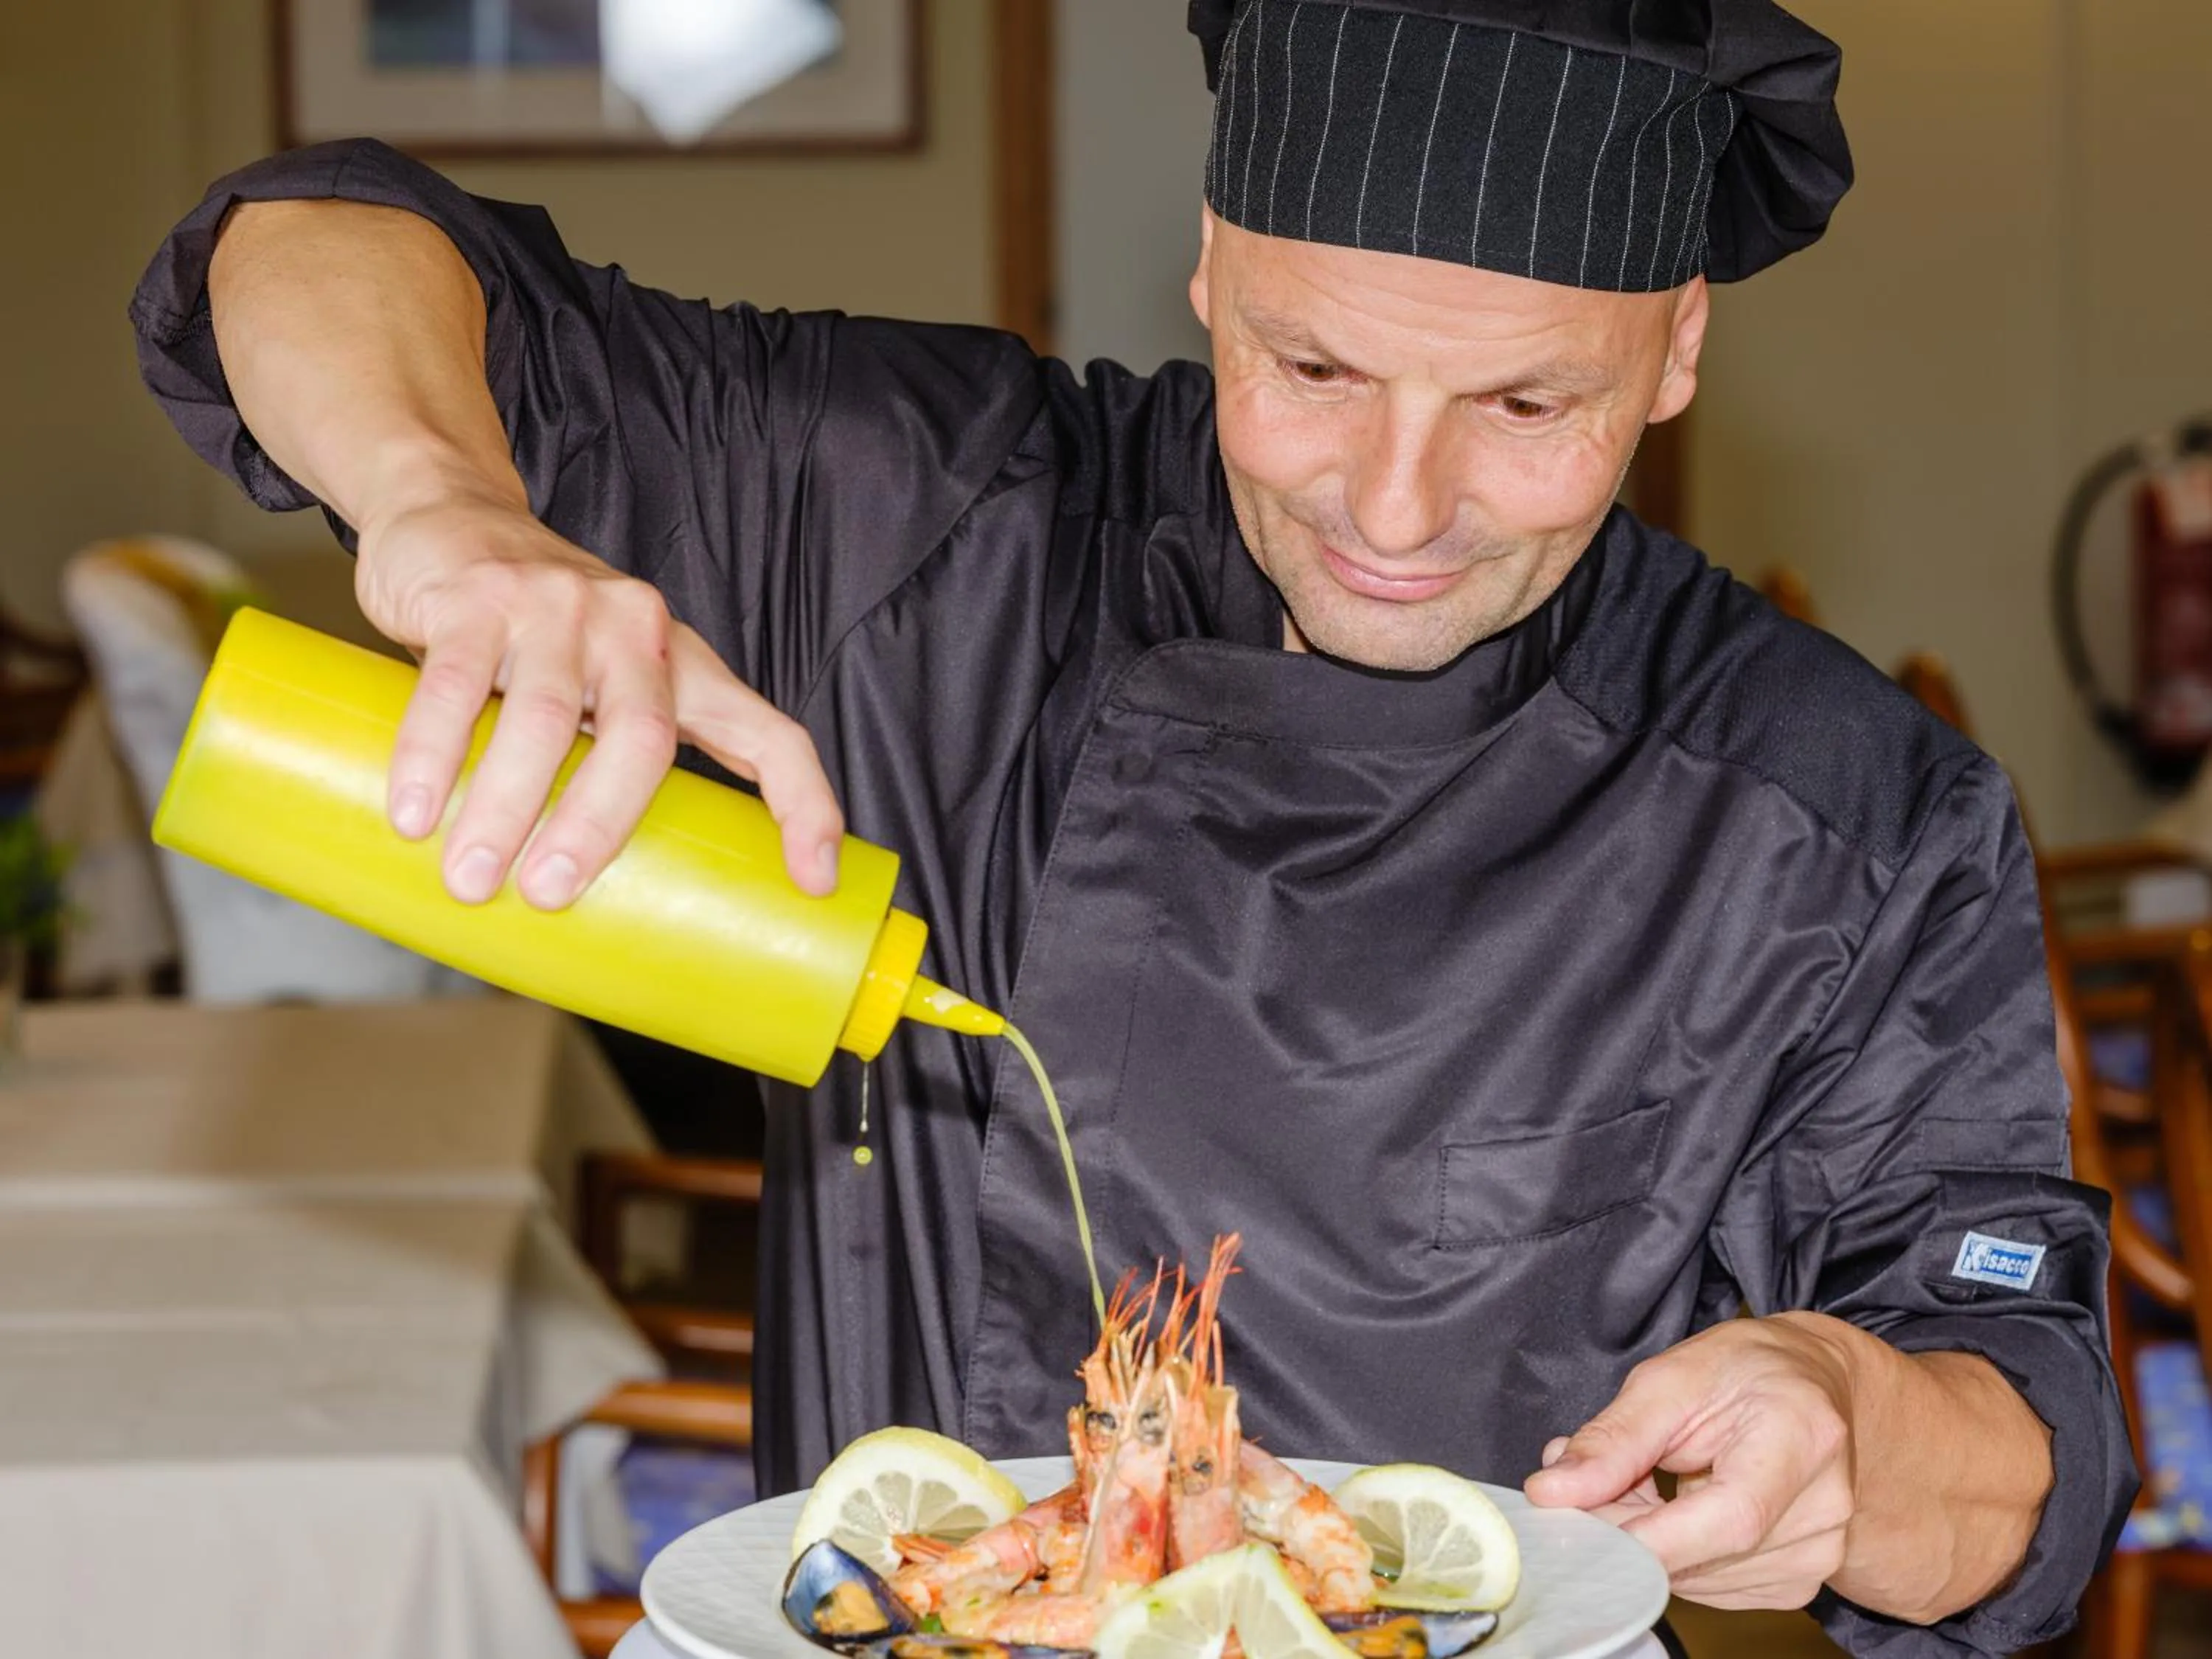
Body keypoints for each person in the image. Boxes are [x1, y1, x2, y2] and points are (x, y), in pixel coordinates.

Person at [131, 0, 2133, 1649]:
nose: (1399, 505)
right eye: (1313, 366)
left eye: (1528, 406)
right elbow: (299, 238)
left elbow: (2022, 1433)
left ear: (1678, 346)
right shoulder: (919, 530)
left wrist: (1855, 1427)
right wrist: (449, 506)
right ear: (1208, 270)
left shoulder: (1841, 812)